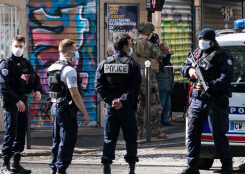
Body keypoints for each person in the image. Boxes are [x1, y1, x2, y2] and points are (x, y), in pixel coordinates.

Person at [180, 28, 233, 174]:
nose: (202, 42)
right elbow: (184, 67)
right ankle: (192, 166)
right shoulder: (196, 53)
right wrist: (189, 71)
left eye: (205, 39)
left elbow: (226, 78)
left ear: (212, 41)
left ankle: (227, 167)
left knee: (218, 134)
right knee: (192, 134)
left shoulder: (222, 55)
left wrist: (209, 85)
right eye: (200, 39)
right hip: (197, 100)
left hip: (215, 100)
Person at [95, 33, 142, 174]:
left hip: (111, 107)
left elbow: (99, 85)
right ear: (124, 46)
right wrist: (122, 100)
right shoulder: (133, 64)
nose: (131, 46)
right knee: (131, 137)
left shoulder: (104, 63)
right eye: (130, 44)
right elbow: (135, 87)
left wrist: (111, 100)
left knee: (109, 137)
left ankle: (107, 165)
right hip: (127, 107)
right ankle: (131, 167)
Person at [0, 35, 43, 174]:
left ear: (24, 47)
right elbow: (4, 87)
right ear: (11, 47)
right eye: (16, 46)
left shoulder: (26, 64)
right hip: (12, 103)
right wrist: (16, 100)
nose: (18, 49)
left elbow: (34, 79)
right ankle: (5, 164)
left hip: (23, 102)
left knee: (21, 134)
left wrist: (37, 90)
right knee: (10, 133)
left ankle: (15, 163)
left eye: (21, 46)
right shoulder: (5, 64)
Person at [47, 39, 90, 174]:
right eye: (75, 50)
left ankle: (54, 167)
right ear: (69, 52)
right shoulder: (69, 70)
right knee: (67, 140)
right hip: (66, 110)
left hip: (55, 107)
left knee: (57, 139)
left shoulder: (52, 67)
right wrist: (85, 113)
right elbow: (75, 94)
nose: (77, 53)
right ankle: (61, 168)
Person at [131, 22, 168, 140]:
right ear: (148, 33)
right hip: (148, 78)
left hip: (134, 77)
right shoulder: (149, 44)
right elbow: (159, 56)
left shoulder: (131, 43)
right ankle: (154, 132)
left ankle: (138, 133)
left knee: (140, 105)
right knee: (154, 104)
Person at [156, 42, 174, 126]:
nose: (168, 51)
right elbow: (165, 62)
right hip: (162, 85)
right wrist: (168, 55)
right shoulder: (161, 58)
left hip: (167, 85)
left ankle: (165, 120)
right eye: (166, 50)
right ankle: (158, 121)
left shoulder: (166, 58)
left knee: (167, 105)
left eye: (168, 49)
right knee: (161, 105)